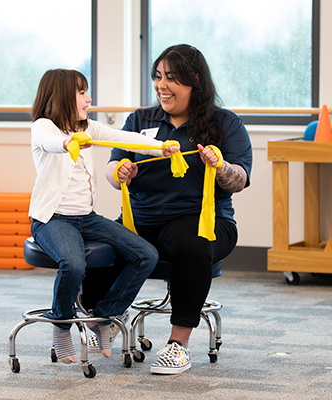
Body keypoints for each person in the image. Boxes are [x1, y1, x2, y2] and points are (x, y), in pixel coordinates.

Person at [98, 44, 252, 374]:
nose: (161, 85)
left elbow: (239, 180)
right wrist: (120, 172)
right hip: (141, 220)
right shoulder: (140, 119)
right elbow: (112, 170)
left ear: (194, 80)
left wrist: (221, 166)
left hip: (203, 221)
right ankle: (108, 314)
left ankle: (177, 345)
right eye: (157, 77)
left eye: (171, 78)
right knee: (96, 241)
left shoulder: (225, 123)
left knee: (190, 243)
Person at [29, 68, 179, 365]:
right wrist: (68, 143)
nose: (89, 98)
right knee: (73, 264)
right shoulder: (44, 126)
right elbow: (48, 140)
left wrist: (160, 148)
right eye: (82, 92)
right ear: (61, 95)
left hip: (87, 217)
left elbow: (124, 137)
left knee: (145, 255)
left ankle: (103, 316)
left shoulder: (87, 127)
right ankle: (61, 326)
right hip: (52, 219)